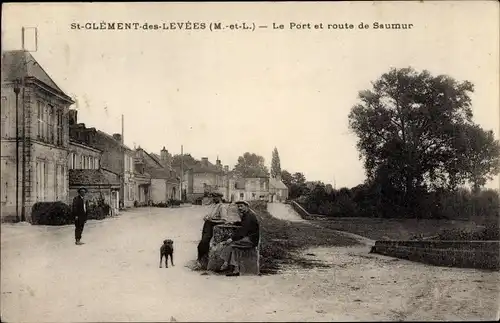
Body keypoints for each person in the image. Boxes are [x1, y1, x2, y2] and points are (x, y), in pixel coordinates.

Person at [219, 200, 260, 276]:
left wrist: (232, 238)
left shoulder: (249, 215)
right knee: (234, 247)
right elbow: (243, 224)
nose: (239, 208)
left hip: (251, 239)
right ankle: (235, 270)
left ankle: (226, 264)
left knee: (231, 244)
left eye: (241, 206)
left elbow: (243, 230)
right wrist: (234, 223)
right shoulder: (247, 214)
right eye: (238, 206)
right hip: (250, 238)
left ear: (247, 206)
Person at [197, 197, 226, 266]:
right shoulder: (214, 206)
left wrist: (212, 221)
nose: (213, 198)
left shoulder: (222, 207)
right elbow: (210, 215)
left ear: (219, 198)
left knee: (204, 242)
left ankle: (203, 262)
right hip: (208, 225)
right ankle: (201, 260)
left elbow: (224, 220)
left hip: (213, 226)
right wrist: (206, 217)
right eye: (213, 196)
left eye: (215, 197)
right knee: (202, 243)